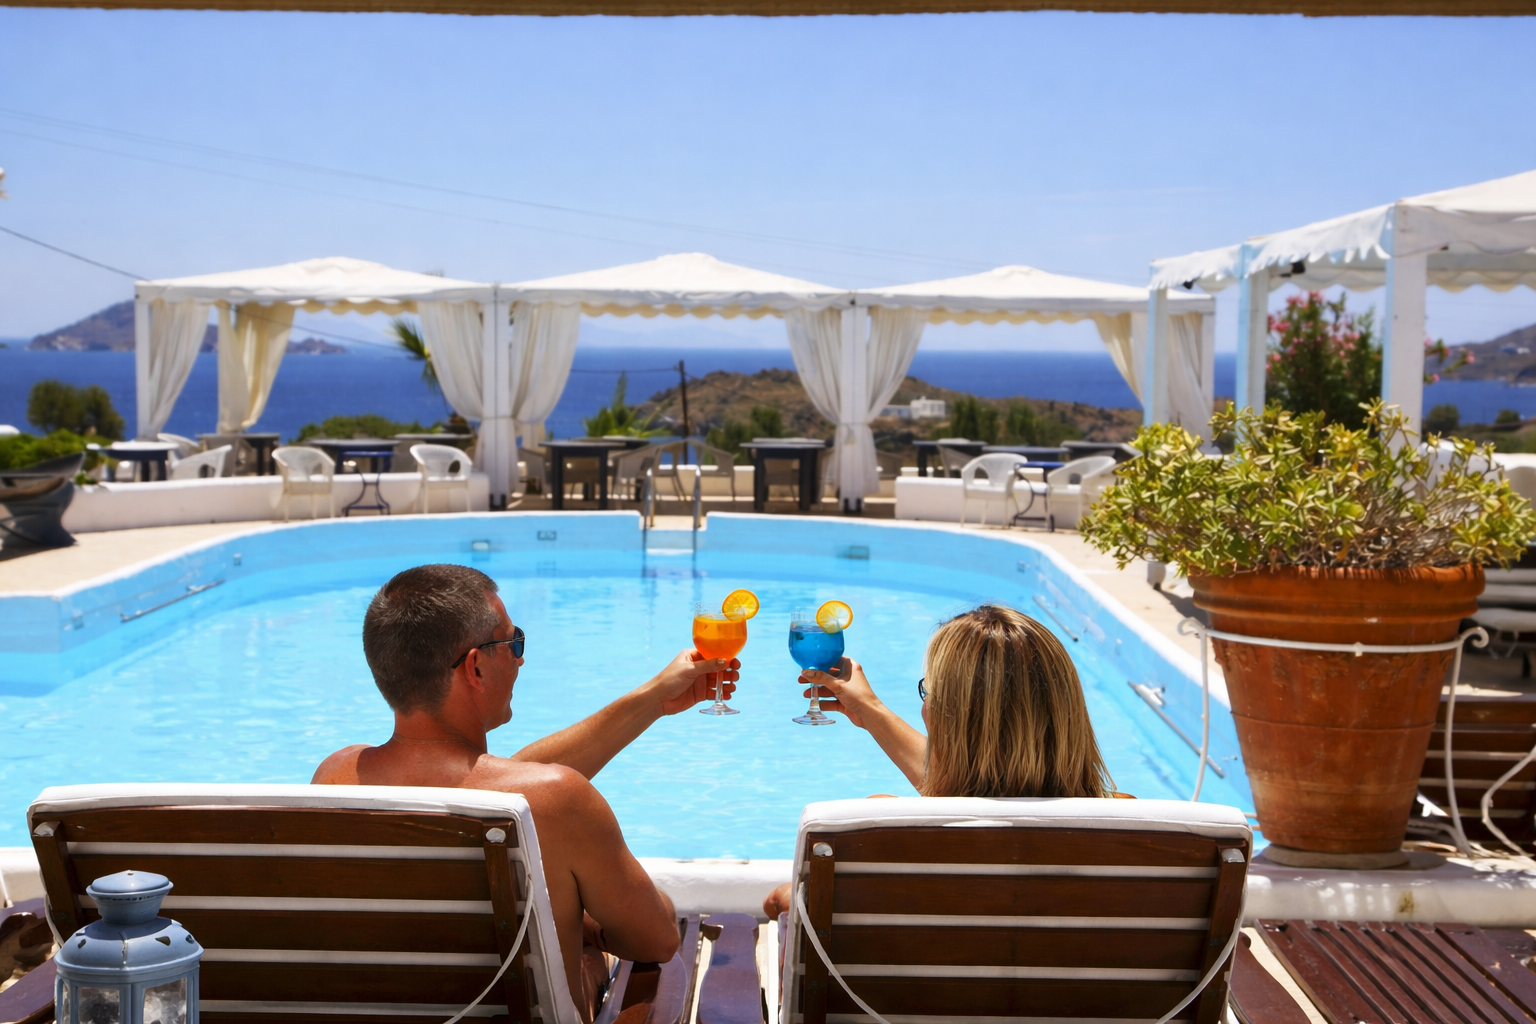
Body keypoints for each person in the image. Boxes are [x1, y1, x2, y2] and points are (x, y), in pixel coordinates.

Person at [313, 563, 739, 1022]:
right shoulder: (557, 802)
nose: (520, 658)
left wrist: (653, 699)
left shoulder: (335, 779)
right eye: (513, 643)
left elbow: (496, 782)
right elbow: (655, 939)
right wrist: (584, 931)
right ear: (475, 666)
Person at [762, 603, 1114, 918]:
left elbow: (794, 909)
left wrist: (784, 895)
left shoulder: (877, 831)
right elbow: (971, 786)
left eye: (927, 691)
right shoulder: (1126, 832)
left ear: (948, 719)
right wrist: (869, 711)